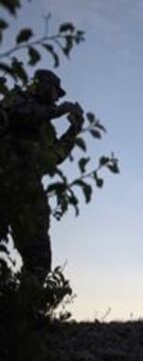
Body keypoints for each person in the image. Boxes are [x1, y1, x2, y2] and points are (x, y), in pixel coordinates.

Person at [0, 69, 84, 284]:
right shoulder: (18, 98)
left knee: (39, 258)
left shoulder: (46, 130)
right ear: (44, 85)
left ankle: (23, 310)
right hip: (4, 182)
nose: (57, 98)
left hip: (26, 196)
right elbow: (18, 116)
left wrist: (74, 130)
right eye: (56, 92)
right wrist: (57, 111)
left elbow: (53, 157)